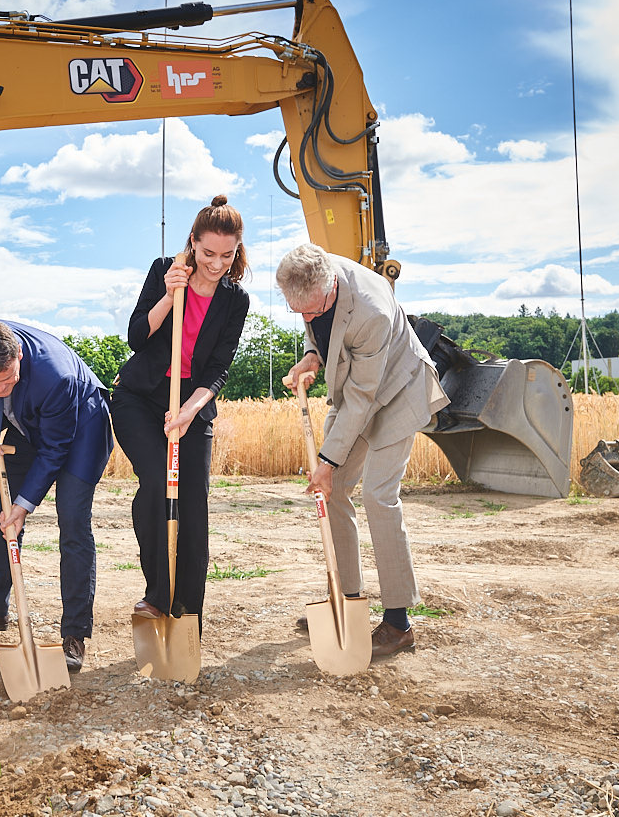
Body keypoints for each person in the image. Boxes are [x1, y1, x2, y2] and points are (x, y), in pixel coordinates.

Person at [278, 242, 448, 659]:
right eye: (296, 310)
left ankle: (398, 622)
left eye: (311, 309)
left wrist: (327, 461)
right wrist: (312, 356)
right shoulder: (311, 274)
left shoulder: (371, 308)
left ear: (331, 287)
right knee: (330, 491)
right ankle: (348, 602)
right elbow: (321, 331)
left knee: (378, 495)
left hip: (398, 391)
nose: (305, 317)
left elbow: (362, 397)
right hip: (356, 391)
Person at [0, 321, 113, 672]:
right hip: (24, 424)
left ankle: (75, 633)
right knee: (2, 516)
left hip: (80, 430)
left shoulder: (57, 377)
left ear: (19, 354)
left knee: (73, 523)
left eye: (7, 379)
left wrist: (25, 505)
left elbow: (54, 451)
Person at [110, 195, 250, 629]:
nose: (216, 263)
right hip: (139, 398)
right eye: (208, 253)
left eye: (227, 255)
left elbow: (219, 369)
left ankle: (188, 611)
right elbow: (136, 337)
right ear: (193, 242)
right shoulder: (163, 271)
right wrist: (171, 296)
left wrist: (190, 411)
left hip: (191, 404)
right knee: (156, 483)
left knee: (193, 502)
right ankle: (156, 594)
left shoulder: (235, 300)